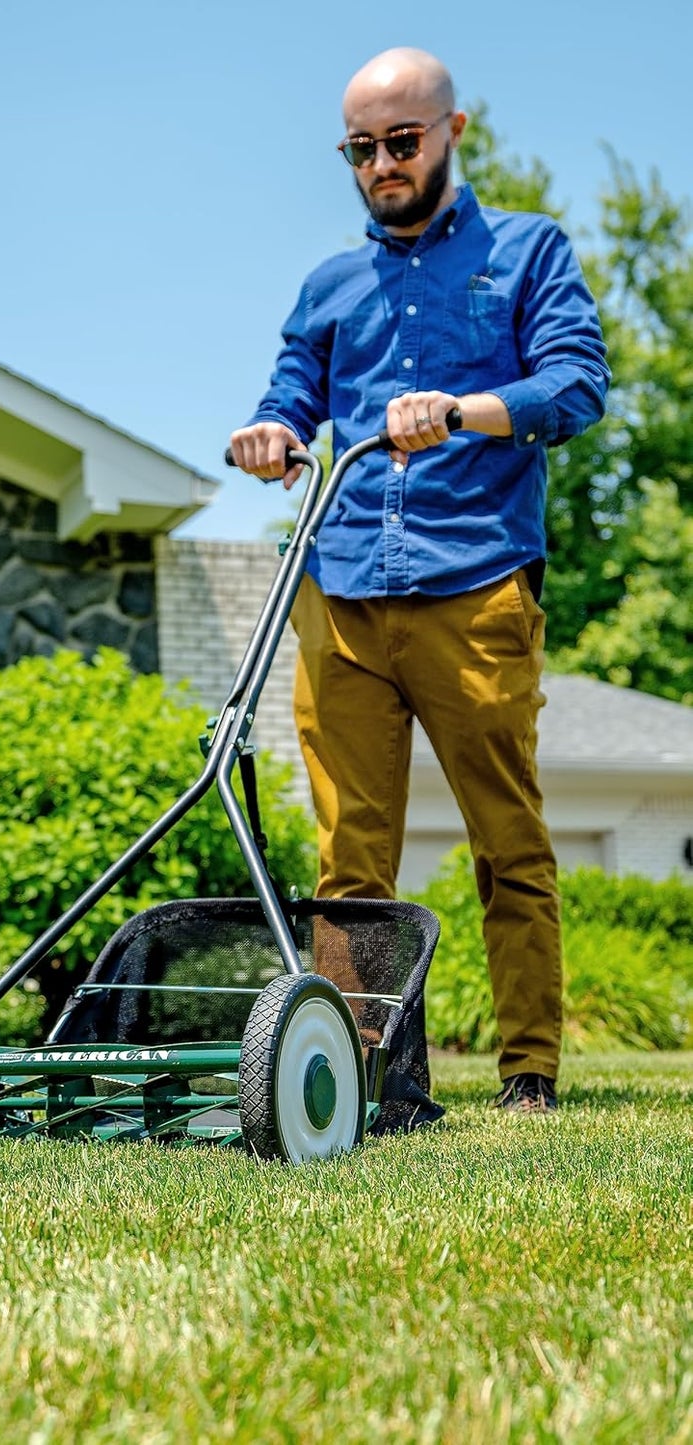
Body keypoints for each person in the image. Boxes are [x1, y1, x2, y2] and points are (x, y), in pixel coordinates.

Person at [228, 47, 610, 1113]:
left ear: (451, 130)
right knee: (349, 856)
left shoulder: (525, 252)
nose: (381, 163)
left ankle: (526, 1069)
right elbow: (288, 393)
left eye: (400, 141)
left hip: (474, 582)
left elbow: (576, 387)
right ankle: (365, 1078)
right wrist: (267, 433)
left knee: (506, 836)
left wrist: (461, 407)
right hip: (341, 586)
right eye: (360, 148)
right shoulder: (329, 285)